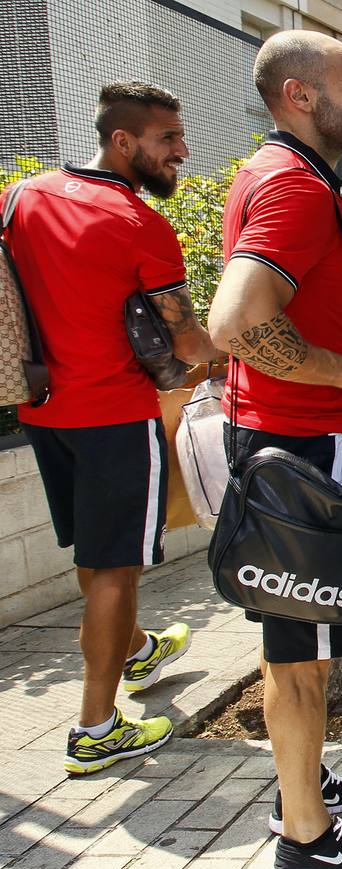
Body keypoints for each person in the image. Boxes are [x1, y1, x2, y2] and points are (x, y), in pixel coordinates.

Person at [206, 31, 342, 869]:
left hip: (281, 440)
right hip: (301, 446)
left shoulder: (273, 174)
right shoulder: (294, 186)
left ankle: (305, 783)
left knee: (292, 637)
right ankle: (305, 837)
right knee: (302, 653)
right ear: (299, 95)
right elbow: (234, 323)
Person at [2, 82, 215, 776]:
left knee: (93, 558)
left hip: (43, 410)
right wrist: (240, 346)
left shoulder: (22, 198)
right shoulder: (138, 225)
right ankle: (96, 727)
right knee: (117, 566)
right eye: (167, 139)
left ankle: (139, 649)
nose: (181, 150)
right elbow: (185, 344)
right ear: (123, 141)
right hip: (116, 415)